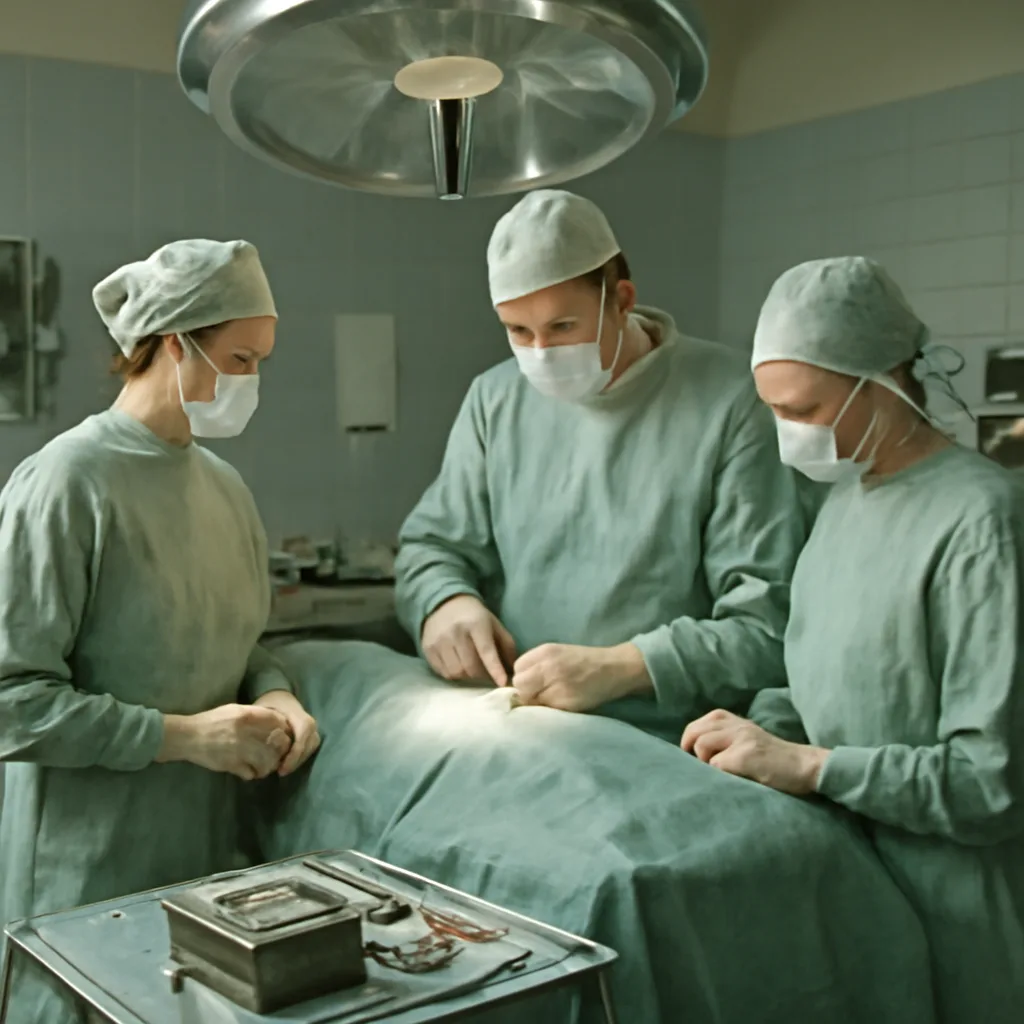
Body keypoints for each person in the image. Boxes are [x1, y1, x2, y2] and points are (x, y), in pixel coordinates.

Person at [682, 256, 1024, 1023]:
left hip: (964, 923)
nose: (788, 437)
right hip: (857, 900)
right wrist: (759, 735)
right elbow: (823, 676)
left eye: (803, 409)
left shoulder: (984, 521)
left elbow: (990, 784)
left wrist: (810, 767)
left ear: (887, 381)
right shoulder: (842, 505)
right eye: (774, 411)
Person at [0, 239, 321, 1024]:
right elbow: (12, 701)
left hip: (202, 873)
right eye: (240, 359)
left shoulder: (224, 487)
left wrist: (277, 697)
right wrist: (183, 737)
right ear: (175, 343)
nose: (252, 383)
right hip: (82, 886)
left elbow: (234, 641)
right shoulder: (65, 484)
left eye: (261, 362)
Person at [396, 189, 810, 738]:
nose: (540, 353)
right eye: (518, 331)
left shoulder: (731, 402)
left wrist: (624, 668)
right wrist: (443, 602)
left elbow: (766, 627)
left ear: (622, 300)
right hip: (520, 726)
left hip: (667, 740)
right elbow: (431, 547)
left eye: (563, 327)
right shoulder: (494, 399)